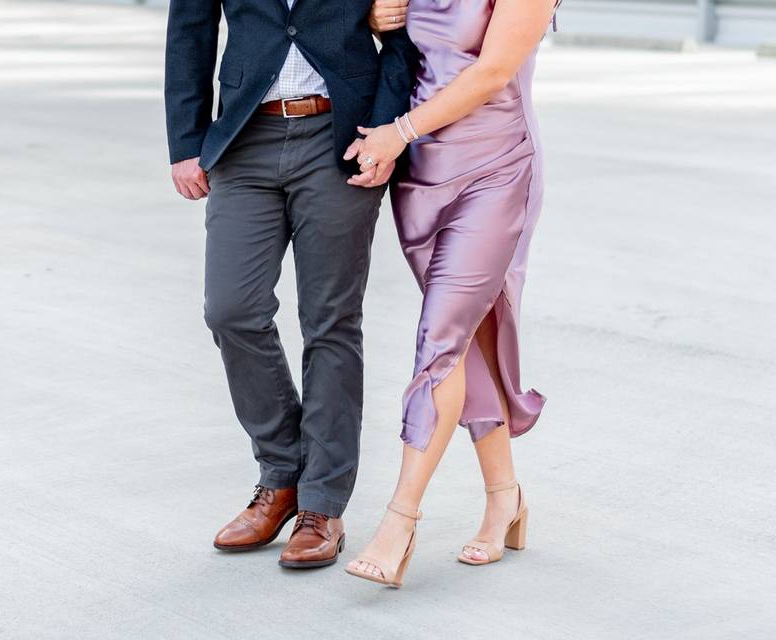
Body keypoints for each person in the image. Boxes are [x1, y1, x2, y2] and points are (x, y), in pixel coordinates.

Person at [164, 0, 417, 569]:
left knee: (330, 322)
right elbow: (190, 30)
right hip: (244, 137)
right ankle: (281, 475)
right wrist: (185, 141)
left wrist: (387, 128)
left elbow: (406, 31)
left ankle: (321, 505)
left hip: (340, 133)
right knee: (231, 309)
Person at [343, 0, 557, 586]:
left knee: (440, 340)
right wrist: (372, 18)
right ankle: (505, 498)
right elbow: (405, 45)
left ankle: (399, 521)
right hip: (420, 175)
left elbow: (491, 71)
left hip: (496, 170)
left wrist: (399, 130)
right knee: (465, 344)